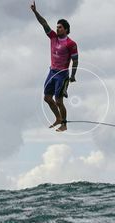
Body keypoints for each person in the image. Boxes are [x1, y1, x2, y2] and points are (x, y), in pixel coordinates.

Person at [30, 1, 78, 132]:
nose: (57, 29)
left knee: (59, 101)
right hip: (52, 72)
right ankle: (57, 118)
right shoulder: (53, 37)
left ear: (66, 29)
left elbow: (75, 60)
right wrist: (35, 12)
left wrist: (73, 76)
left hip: (62, 75)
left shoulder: (71, 43)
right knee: (47, 98)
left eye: (60, 27)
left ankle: (64, 124)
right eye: (57, 27)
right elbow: (44, 23)